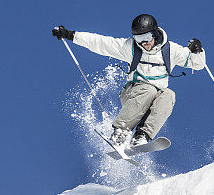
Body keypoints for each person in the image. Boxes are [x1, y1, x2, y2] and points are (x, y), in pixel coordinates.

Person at [52, 14, 205, 147]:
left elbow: (198, 65)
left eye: (146, 38)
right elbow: (100, 43)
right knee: (149, 89)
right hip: (133, 95)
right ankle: (120, 132)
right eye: (139, 38)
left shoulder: (172, 50)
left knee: (169, 95)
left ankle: (142, 136)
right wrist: (71, 35)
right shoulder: (130, 48)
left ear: (155, 33)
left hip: (154, 101)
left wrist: (197, 51)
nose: (144, 43)